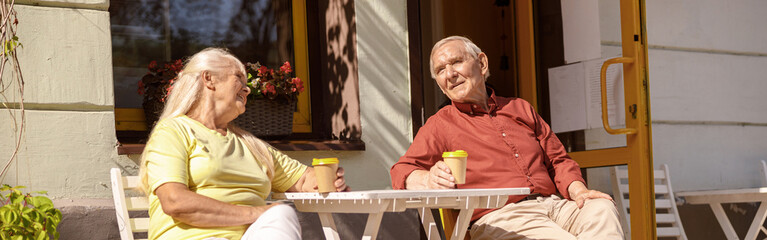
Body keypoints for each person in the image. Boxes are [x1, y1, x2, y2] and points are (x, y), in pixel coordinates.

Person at [390, 36, 623, 239]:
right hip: (502, 217)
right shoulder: (441, 124)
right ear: (440, 85)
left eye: (456, 62)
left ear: (481, 63)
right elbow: (401, 171)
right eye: (440, 70)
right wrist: (427, 179)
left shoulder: (520, 108)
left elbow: (558, 160)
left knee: (601, 208)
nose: (449, 74)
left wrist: (579, 191)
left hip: (555, 205)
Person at [138, 48, 350, 240]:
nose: (247, 89)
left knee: (282, 212)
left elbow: (304, 180)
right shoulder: (174, 131)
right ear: (209, 79)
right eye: (239, 78)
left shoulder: (250, 144)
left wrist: (327, 180)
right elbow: (175, 202)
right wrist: (255, 213)